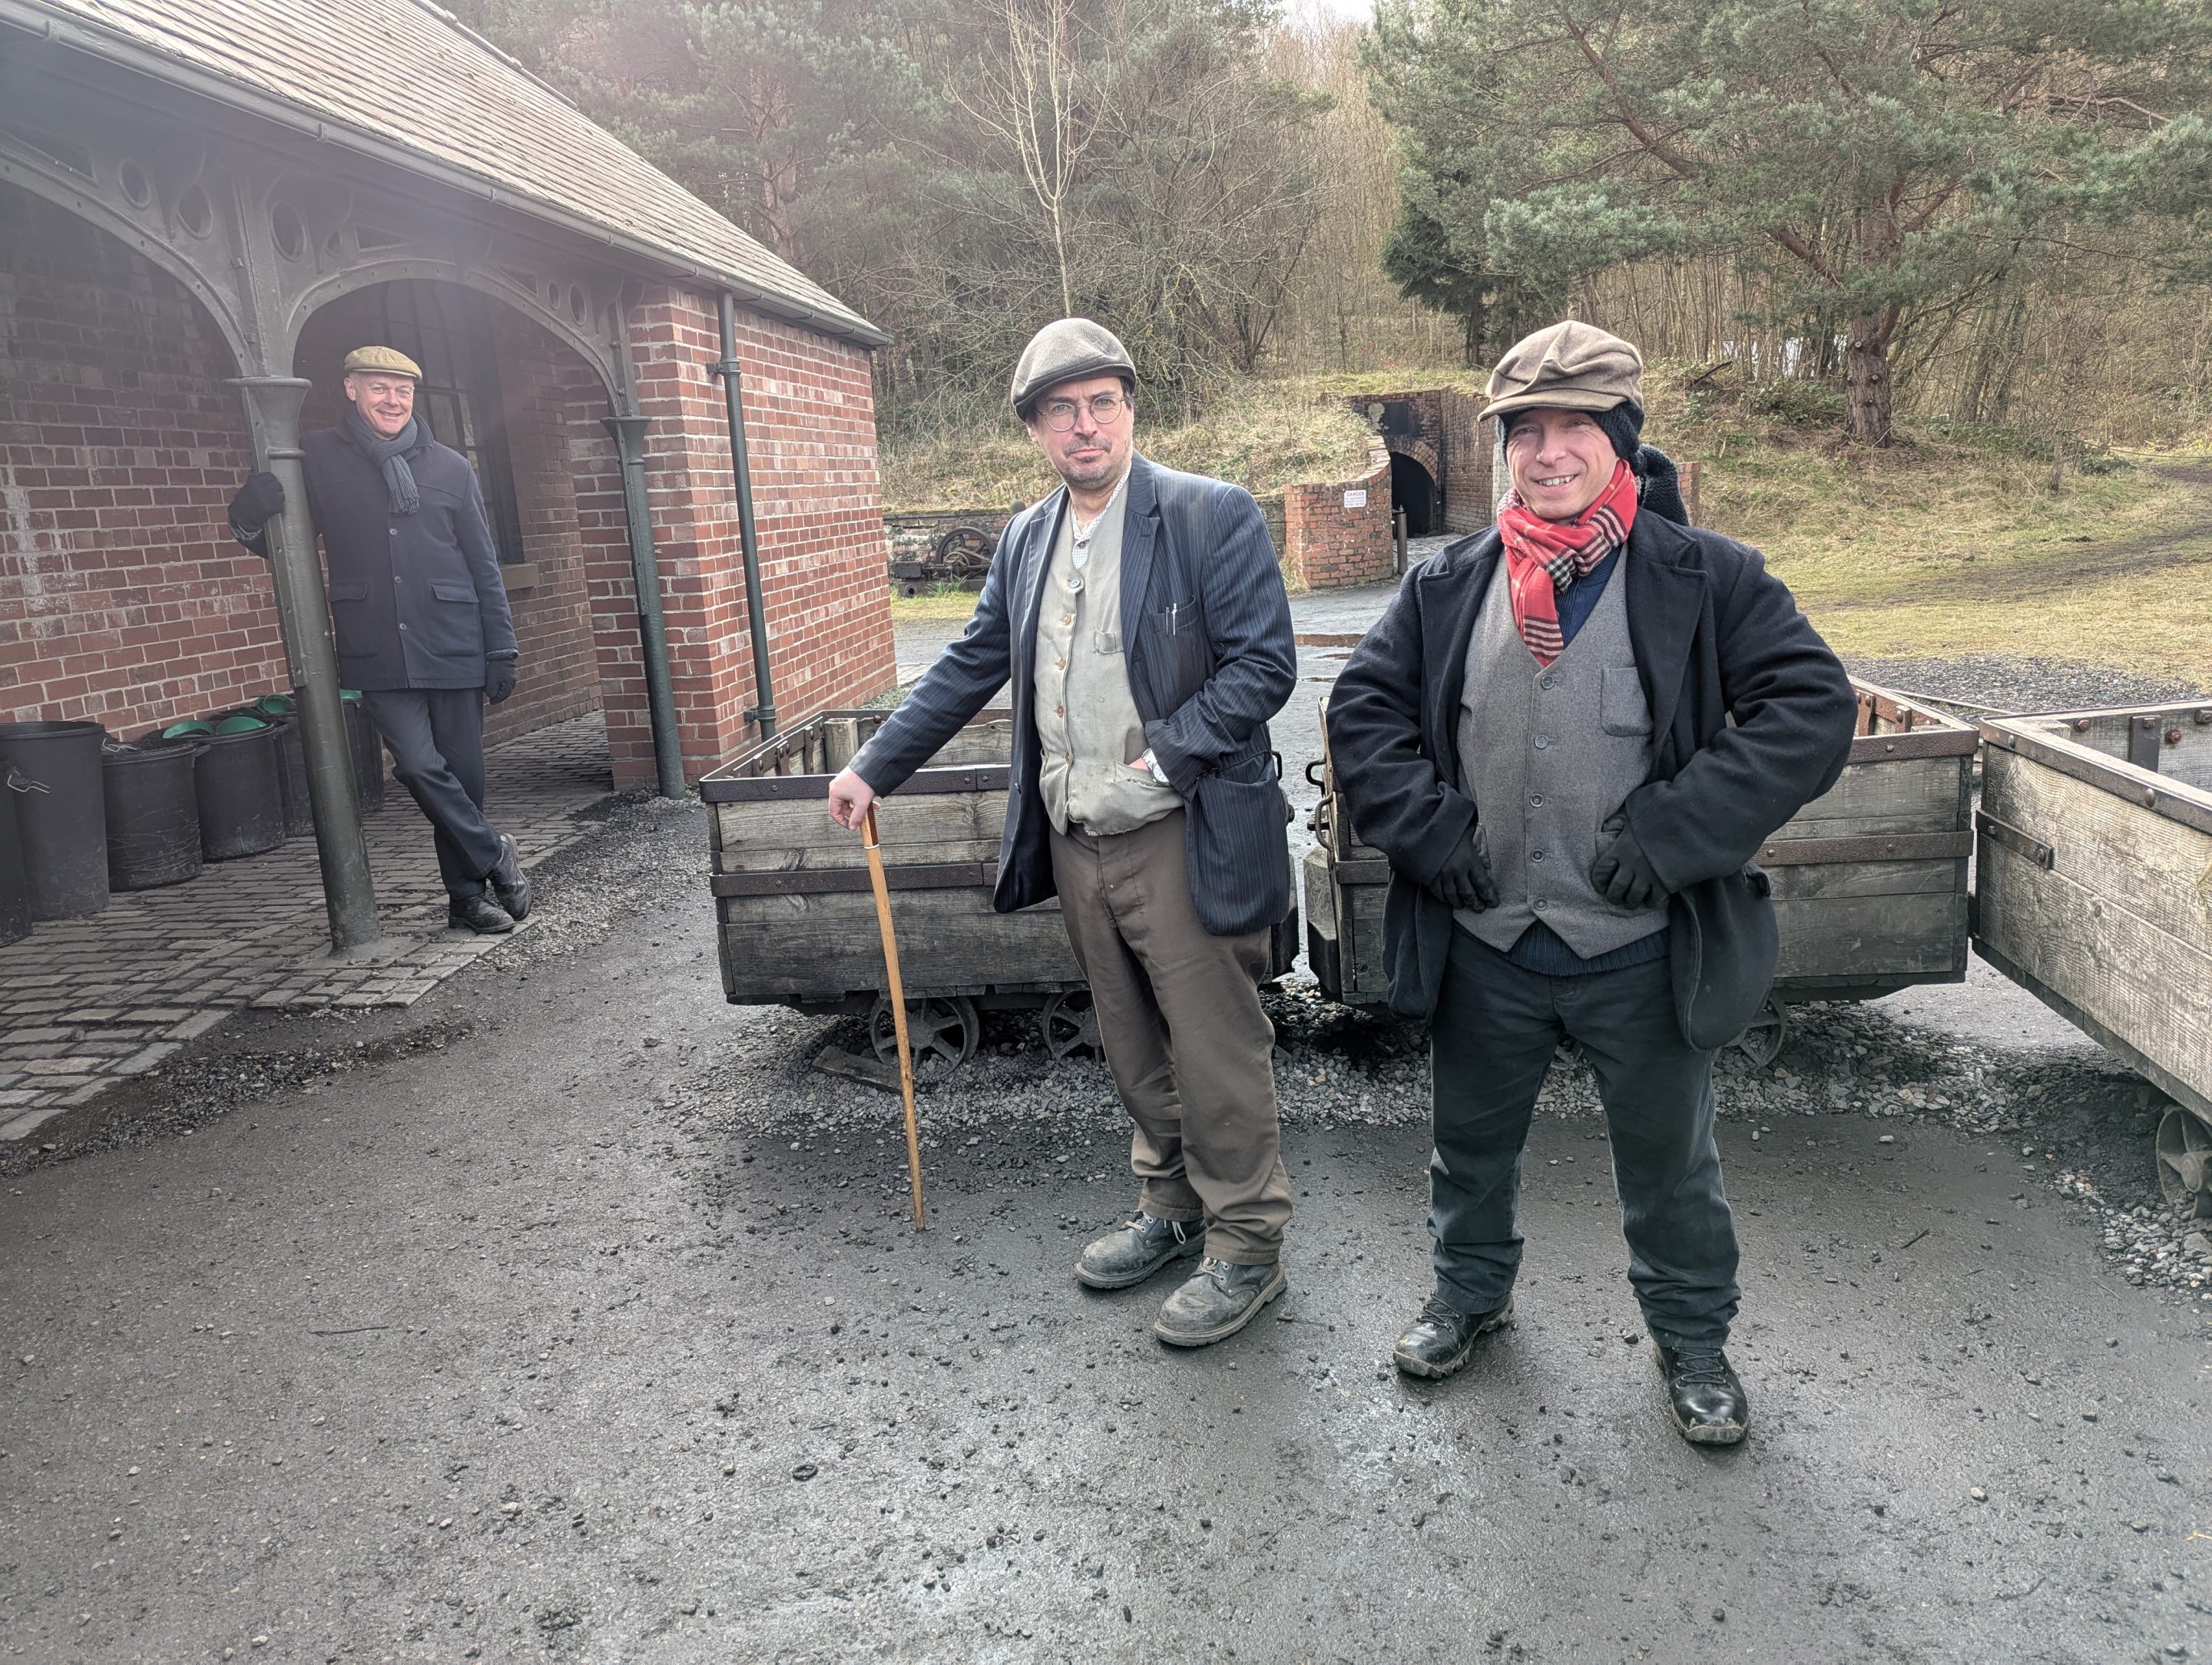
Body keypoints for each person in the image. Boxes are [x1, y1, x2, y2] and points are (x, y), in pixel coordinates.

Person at [1326, 321, 1856, 1444]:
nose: (1547, 449)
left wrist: (1678, 830)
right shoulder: (1451, 584)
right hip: (1490, 940)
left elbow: (1810, 708)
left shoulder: (1705, 577)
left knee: (1672, 1167)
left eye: (1574, 425)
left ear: (1622, 439)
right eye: (1525, 428)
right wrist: (1427, 830)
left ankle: (1694, 1338)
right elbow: (1364, 710)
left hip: (1643, 949)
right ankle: (1469, 1298)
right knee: (1468, 1147)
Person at [826, 319, 1298, 1348]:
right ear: (1036, 429)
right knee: (1129, 1041)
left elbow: (1264, 666)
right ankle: (1171, 1209)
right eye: (1061, 411)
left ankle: (1248, 1245)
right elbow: (969, 662)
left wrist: (1165, 758)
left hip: (1183, 829)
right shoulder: (1030, 536)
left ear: (1129, 409)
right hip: (1076, 836)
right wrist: (875, 765)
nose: (1084, 427)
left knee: (1217, 1048)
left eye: (1102, 404)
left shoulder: (1210, 515)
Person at [226, 346, 531, 935]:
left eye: (402, 390)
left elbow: (484, 564)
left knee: (463, 779)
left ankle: (466, 898)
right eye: (378, 388)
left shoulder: (451, 467)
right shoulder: (315, 456)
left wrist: (501, 647)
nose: (392, 400)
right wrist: (246, 514)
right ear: (350, 389)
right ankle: (495, 854)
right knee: (418, 767)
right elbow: (280, 547)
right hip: (376, 648)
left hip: (455, 642)